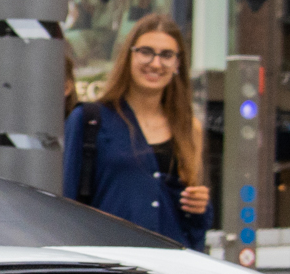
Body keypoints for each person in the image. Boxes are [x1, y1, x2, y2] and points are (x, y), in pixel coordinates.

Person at [59, 15, 211, 250]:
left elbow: (192, 220)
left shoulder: (190, 129)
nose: (156, 63)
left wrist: (200, 208)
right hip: (110, 267)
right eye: (146, 51)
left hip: (174, 271)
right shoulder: (88, 120)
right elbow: (67, 205)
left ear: (178, 63)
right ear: (128, 55)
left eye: (167, 55)